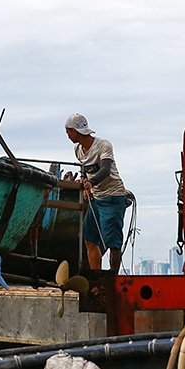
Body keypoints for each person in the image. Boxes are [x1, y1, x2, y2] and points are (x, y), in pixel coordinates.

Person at [65, 113, 131, 271]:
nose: (67, 135)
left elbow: (106, 169)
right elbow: (85, 169)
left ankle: (113, 276)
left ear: (75, 131)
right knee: (89, 238)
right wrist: (86, 185)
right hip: (96, 198)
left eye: (68, 131)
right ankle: (97, 275)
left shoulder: (103, 145)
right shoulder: (78, 150)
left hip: (112, 197)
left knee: (113, 242)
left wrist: (92, 182)